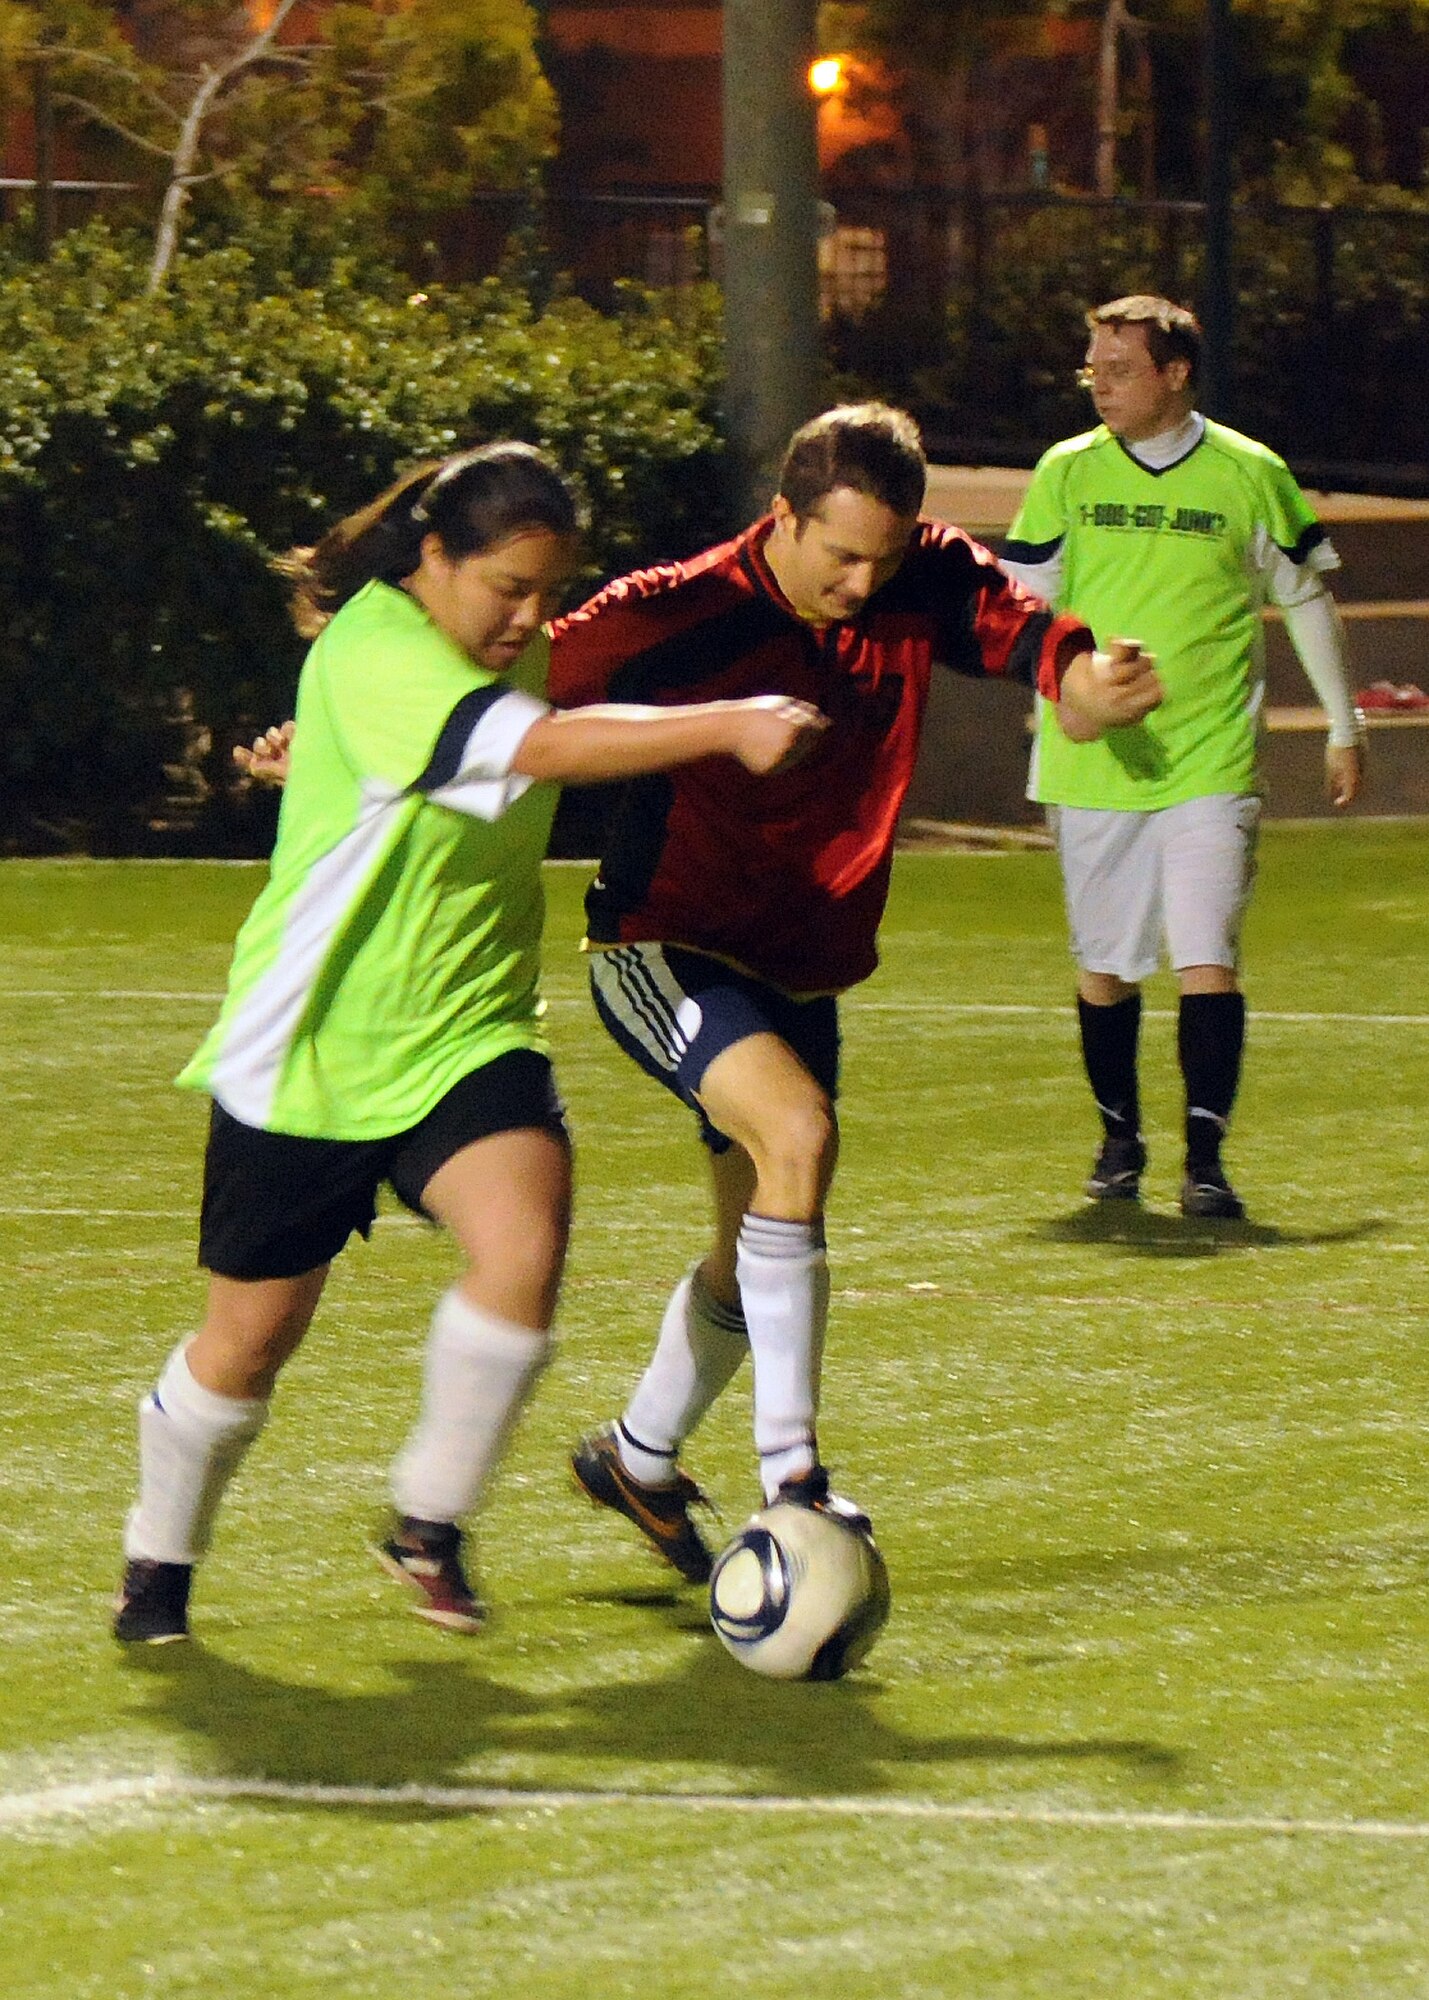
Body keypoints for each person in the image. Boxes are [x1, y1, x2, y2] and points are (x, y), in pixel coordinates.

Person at [112, 441, 830, 1645]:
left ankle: (427, 1526)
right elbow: (539, 747)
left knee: (524, 1240)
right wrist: (728, 723)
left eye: (548, 593)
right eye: (507, 588)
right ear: (434, 558)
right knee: (245, 1346)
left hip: (466, 1029)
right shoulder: (375, 646)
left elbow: (573, 696)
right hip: (313, 1046)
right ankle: (158, 1563)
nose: (530, 619)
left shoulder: (516, 644)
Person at [547, 402, 1164, 1582]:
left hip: (801, 961)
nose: (861, 578)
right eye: (839, 553)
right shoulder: (681, 606)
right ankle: (795, 1478)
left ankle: (637, 1454)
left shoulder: (915, 575)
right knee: (798, 1130)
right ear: (781, 518)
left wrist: (1083, 679)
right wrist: (317, 733)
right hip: (660, 941)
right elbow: (498, 674)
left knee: (756, 1240)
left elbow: (1028, 632)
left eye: (883, 554)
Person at [1001, 295, 1365, 1222]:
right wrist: (1064, 685)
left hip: (1210, 754)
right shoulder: (1064, 472)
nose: (1101, 387)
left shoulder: (1248, 472)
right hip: (1093, 759)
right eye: (1093, 370)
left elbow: (1305, 598)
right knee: (1104, 966)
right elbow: (1019, 604)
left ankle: (1205, 1158)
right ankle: (1118, 1136)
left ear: (1175, 374)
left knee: (1206, 955)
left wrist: (1341, 723)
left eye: (1120, 369)